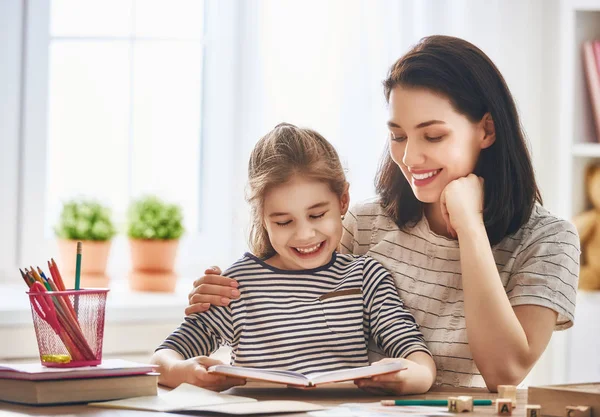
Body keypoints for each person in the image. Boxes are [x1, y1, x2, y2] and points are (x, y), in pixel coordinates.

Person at [186, 35, 580, 391]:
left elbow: (505, 371)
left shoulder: (547, 240)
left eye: (433, 135)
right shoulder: (366, 225)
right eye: (398, 135)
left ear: (487, 130)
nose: (409, 156)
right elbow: (290, 308)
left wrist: (470, 225)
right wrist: (229, 292)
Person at [151, 123, 437, 394]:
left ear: (343, 201)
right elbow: (161, 361)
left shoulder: (366, 278)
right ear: (262, 219)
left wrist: (407, 376)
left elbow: (418, 360)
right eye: (284, 222)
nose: (304, 235)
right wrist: (184, 372)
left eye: (317, 215)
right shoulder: (236, 286)